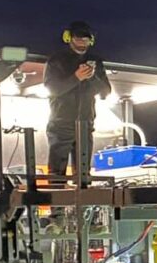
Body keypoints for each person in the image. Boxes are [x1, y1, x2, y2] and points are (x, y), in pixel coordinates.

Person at [43, 20, 110, 182]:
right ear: (69, 38)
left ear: (91, 40)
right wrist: (76, 78)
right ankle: (56, 207)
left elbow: (105, 92)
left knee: (83, 176)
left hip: (86, 124)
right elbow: (52, 89)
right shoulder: (56, 60)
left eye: (85, 40)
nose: (82, 43)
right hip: (61, 124)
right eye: (78, 39)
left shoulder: (96, 62)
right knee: (56, 175)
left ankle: (83, 206)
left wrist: (92, 76)